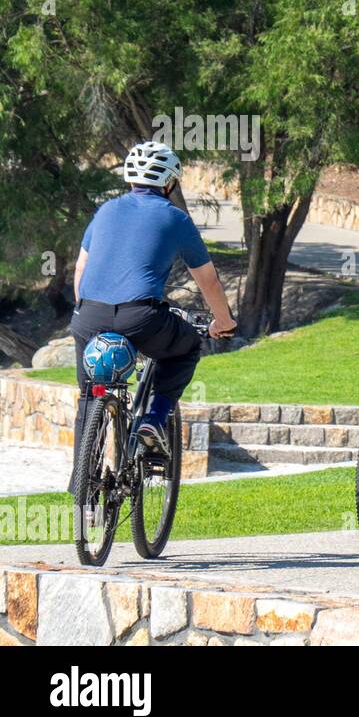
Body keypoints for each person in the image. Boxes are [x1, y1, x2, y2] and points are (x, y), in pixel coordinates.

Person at [72, 141, 237, 472]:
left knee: (90, 396)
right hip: (141, 317)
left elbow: (81, 268)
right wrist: (224, 322)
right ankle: (155, 417)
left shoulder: (105, 210)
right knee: (187, 346)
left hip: (88, 316)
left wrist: (83, 311)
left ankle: (82, 486)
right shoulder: (176, 218)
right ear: (170, 183)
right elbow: (208, 281)